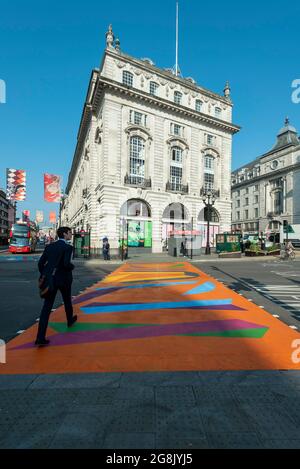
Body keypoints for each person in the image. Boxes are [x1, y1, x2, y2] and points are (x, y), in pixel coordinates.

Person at [35, 226, 77, 346]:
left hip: (51, 280)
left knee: (46, 308)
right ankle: (69, 320)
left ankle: (40, 337)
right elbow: (66, 264)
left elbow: (40, 263)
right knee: (67, 300)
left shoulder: (50, 246)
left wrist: (46, 274)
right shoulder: (68, 247)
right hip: (64, 280)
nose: (71, 235)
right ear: (64, 234)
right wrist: (72, 267)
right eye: (69, 233)